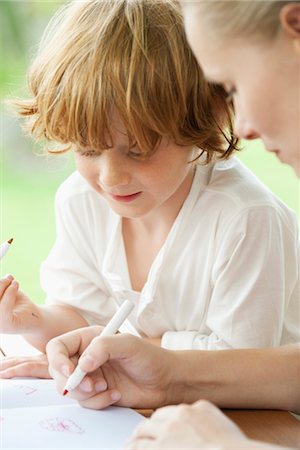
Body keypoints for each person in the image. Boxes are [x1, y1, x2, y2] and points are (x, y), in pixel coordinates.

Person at [45, 1, 300, 449]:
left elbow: (245, 366)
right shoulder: (81, 199)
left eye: (232, 86)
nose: (241, 126)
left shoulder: (244, 215)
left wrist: (150, 348)